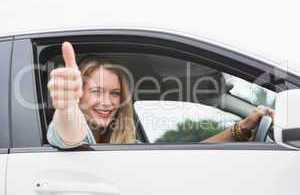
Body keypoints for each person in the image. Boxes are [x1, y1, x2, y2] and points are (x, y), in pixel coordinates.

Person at [47, 42, 274, 149]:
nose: (107, 102)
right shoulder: (77, 132)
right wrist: (67, 107)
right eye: (96, 91)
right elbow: (69, 135)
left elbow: (193, 154)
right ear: (79, 96)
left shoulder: (122, 143)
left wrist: (243, 126)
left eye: (115, 93)